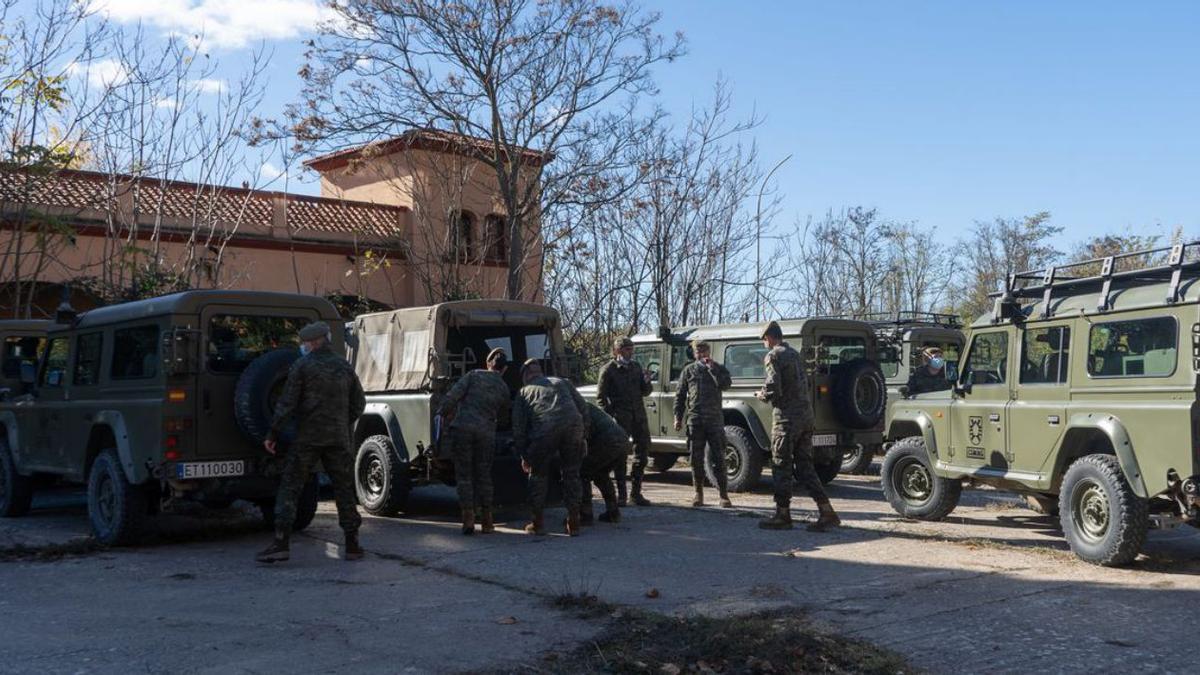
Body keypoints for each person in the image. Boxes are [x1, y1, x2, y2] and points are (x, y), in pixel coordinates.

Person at [256, 322, 367, 563]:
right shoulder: (344, 366)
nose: (303, 346)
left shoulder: (302, 366)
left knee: (291, 487)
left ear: (312, 343)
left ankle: (281, 542)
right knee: (344, 489)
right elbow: (360, 402)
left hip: (308, 438)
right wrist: (340, 421)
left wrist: (273, 434)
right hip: (338, 438)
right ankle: (352, 544)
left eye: (305, 343)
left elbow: (287, 404)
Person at [755, 321, 840, 532]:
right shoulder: (794, 354)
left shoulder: (774, 356)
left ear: (769, 338)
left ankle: (783, 514)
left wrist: (762, 395)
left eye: (764, 339)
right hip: (806, 417)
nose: (765, 343)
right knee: (805, 467)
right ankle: (826, 511)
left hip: (786, 419)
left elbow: (774, 386)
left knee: (781, 464)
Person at [438, 348, 512, 535]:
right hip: (486, 434)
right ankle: (487, 520)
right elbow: (504, 418)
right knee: (484, 476)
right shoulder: (503, 387)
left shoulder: (473, 375)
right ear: (504, 369)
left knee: (464, 476)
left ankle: (468, 519)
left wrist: (442, 415)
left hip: (462, 430)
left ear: (488, 363)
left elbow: (452, 397)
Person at [511, 359, 589, 536]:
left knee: (538, 475)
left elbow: (519, 429)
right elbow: (583, 408)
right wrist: (584, 435)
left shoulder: (524, 392)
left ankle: (537, 523)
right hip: (573, 427)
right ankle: (574, 521)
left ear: (525, 376)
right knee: (572, 474)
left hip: (544, 431)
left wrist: (525, 455)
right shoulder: (562, 382)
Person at [673, 340, 733, 509]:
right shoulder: (688, 371)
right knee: (695, 459)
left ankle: (723, 495)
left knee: (719, 457)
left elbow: (726, 384)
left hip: (714, 420)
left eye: (704, 351)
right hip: (695, 420)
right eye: (698, 352)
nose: (701, 355)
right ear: (694, 353)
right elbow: (680, 395)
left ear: (709, 352)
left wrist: (712, 369)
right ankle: (698, 493)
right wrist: (677, 416)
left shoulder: (718, 368)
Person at [596, 336, 653, 506]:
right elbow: (601, 398)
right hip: (620, 419)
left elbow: (645, 391)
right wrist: (611, 415)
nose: (630, 352)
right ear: (617, 351)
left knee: (642, 453)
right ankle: (621, 495)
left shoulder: (636, 367)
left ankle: (636, 493)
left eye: (631, 349)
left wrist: (648, 382)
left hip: (639, 417)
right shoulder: (608, 370)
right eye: (627, 349)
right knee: (620, 456)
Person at [580, 403, 629, 525]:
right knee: (601, 475)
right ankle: (613, 512)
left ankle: (585, 514)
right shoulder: (585, 405)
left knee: (582, 474)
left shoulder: (575, 408)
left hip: (608, 441)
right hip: (622, 439)